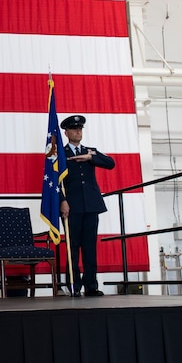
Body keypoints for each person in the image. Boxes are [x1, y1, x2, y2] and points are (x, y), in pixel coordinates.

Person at [59, 115, 115, 297]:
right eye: (74, 129)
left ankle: (91, 285)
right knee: (73, 247)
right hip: (72, 206)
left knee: (90, 247)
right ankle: (74, 285)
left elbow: (110, 163)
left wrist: (91, 157)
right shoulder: (61, 152)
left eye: (80, 129)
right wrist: (62, 201)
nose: (78, 131)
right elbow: (53, 181)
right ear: (66, 132)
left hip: (91, 205)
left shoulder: (91, 152)